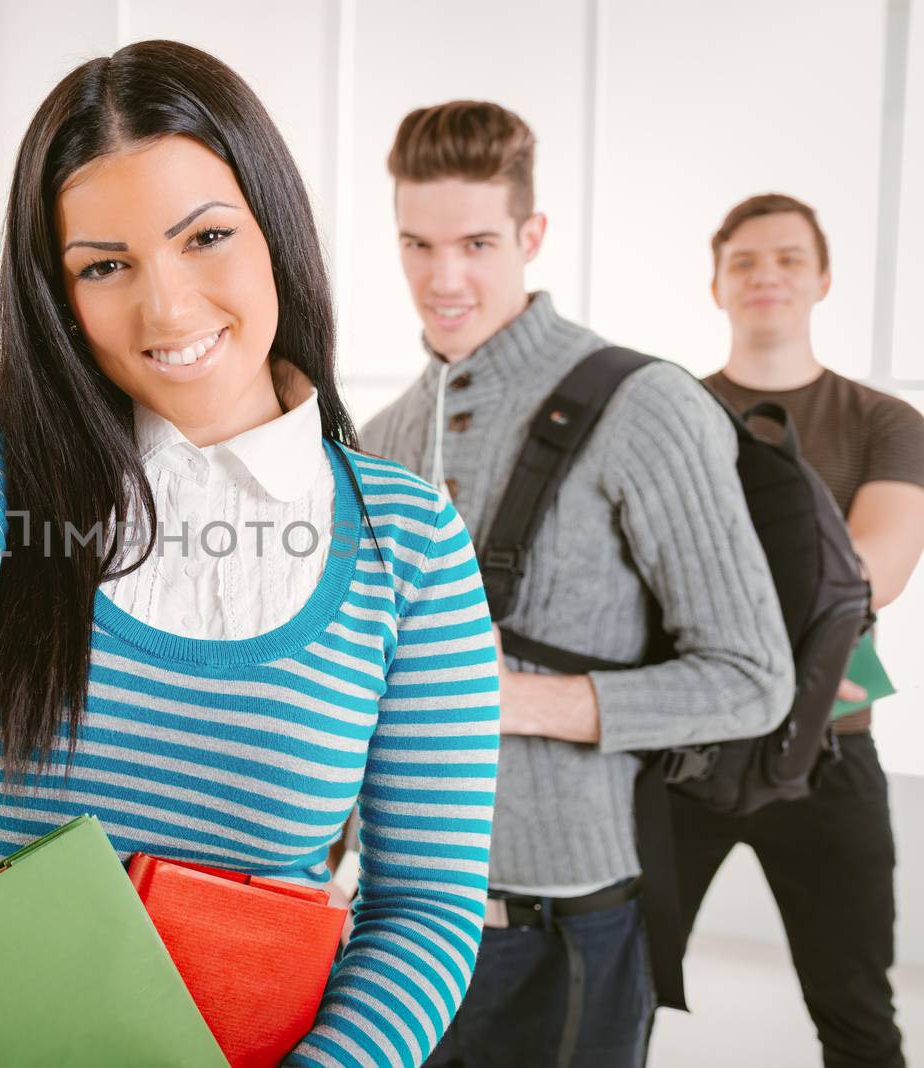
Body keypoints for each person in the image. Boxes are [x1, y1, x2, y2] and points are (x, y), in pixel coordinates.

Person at [0, 40, 501, 1068]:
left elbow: (424, 905)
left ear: (274, 232)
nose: (164, 307)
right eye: (104, 265)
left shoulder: (408, 543)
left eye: (204, 237)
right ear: (56, 293)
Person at [359, 101, 795, 1067]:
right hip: (391, 935)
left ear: (531, 235)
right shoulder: (382, 435)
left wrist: (504, 700)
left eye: (476, 242)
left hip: (571, 923)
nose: (444, 278)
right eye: (417, 244)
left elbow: (754, 680)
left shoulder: (645, 407)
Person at [670, 193, 924, 1068]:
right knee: (611, 993)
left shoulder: (886, 423)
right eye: (743, 260)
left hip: (832, 757)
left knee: (857, 1018)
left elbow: (869, 574)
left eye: (786, 258)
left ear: (822, 280)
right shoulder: (665, 414)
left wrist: (711, 609)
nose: (765, 275)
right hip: (683, 757)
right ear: (716, 285)